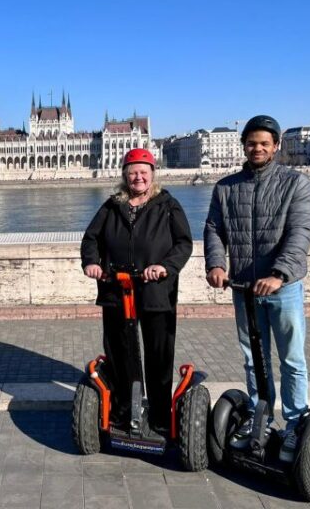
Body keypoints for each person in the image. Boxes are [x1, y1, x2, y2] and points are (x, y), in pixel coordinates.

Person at [203, 115, 310, 463]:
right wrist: (216, 264)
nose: (258, 148)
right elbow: (213, 229)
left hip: (282, 288)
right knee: (254, 360)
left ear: (276, 146)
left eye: (265, 143)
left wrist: (280, 274)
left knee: (291, 360)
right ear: (244, 146)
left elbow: (300, 234)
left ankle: (295, 423)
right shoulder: (225, 187)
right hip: (245, 288)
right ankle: (260, 417)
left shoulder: (296, 184)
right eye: (252, 143)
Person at [81, 148, 193, 435]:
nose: (138, 177)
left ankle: (158, 415)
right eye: (132, 172)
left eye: (143, 171)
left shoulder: (167, 205)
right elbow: (90, 238)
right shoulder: (111, 206)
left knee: (158, 354)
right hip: (116, 289)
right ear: (124, 175)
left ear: (153, 174)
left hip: (156, 290)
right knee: (120, 352)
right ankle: (123, 410)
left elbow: (183, 243)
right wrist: (92, 263)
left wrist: (165, 267)